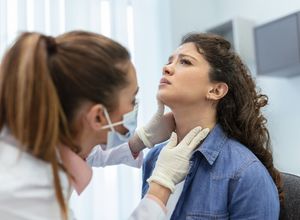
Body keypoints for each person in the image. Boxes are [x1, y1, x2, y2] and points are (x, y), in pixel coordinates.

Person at [0, 31, 210, 220]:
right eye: (132, 100)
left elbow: (83, 152)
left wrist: (140, 140)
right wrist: (160, 186)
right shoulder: (24, 193)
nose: (167, 68)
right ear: (99, 117)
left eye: (185, 62)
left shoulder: (34, 140)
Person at [142, 33, 282, 219]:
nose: (166, 68)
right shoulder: (153, 158)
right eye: (170, 61)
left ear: (216, 90)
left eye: (185, 62)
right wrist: (139, 140)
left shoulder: (245, 173)